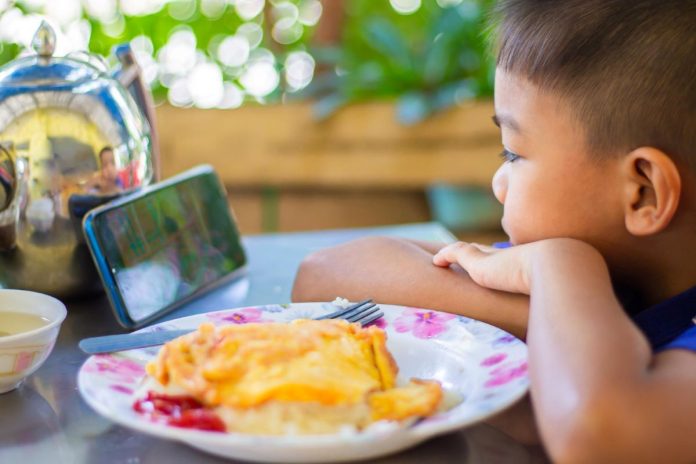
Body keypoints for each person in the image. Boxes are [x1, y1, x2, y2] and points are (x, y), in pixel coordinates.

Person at [292, 0, 696, 462]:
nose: (498, 183)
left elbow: (602, 437)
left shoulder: (566, 265)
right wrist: (564, 319)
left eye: (513, 155)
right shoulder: (595, 273)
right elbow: (324, 275)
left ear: (642, 192)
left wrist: (561, 267)